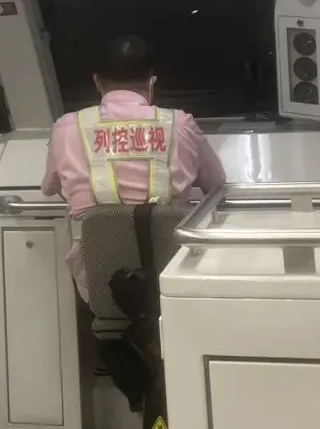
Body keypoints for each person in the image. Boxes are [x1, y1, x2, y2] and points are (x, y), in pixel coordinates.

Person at [41, 34, 226, 300]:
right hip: (171, 264)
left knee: (100, 304)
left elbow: (50, 188)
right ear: (152, 82)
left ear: (97, 81)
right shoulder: (180, 124)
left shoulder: (67, 127)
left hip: (96, 271)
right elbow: (216, 185)